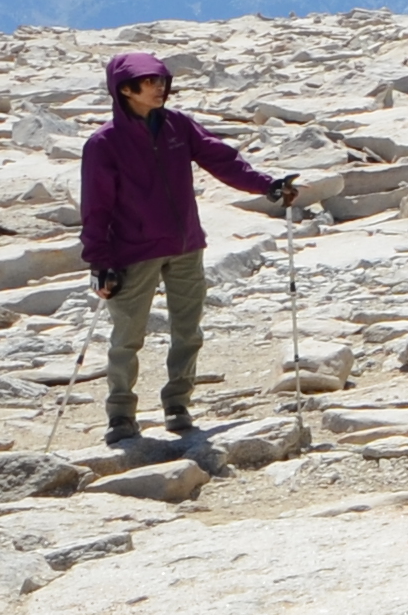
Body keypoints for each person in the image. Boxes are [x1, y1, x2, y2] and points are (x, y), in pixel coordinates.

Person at [79, 50, 300, 445]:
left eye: (162, 80)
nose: (160, 87)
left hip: (185, 245)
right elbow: (96, 207)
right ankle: (120, 415)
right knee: (127, 336)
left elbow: (222, 160)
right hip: (133, 251)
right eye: (150, 82)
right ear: (125, 90)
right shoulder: (104, 144)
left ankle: (177, 404)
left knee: (187, 330)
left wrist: (267, 185)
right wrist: (99, 261)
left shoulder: (177, 125)